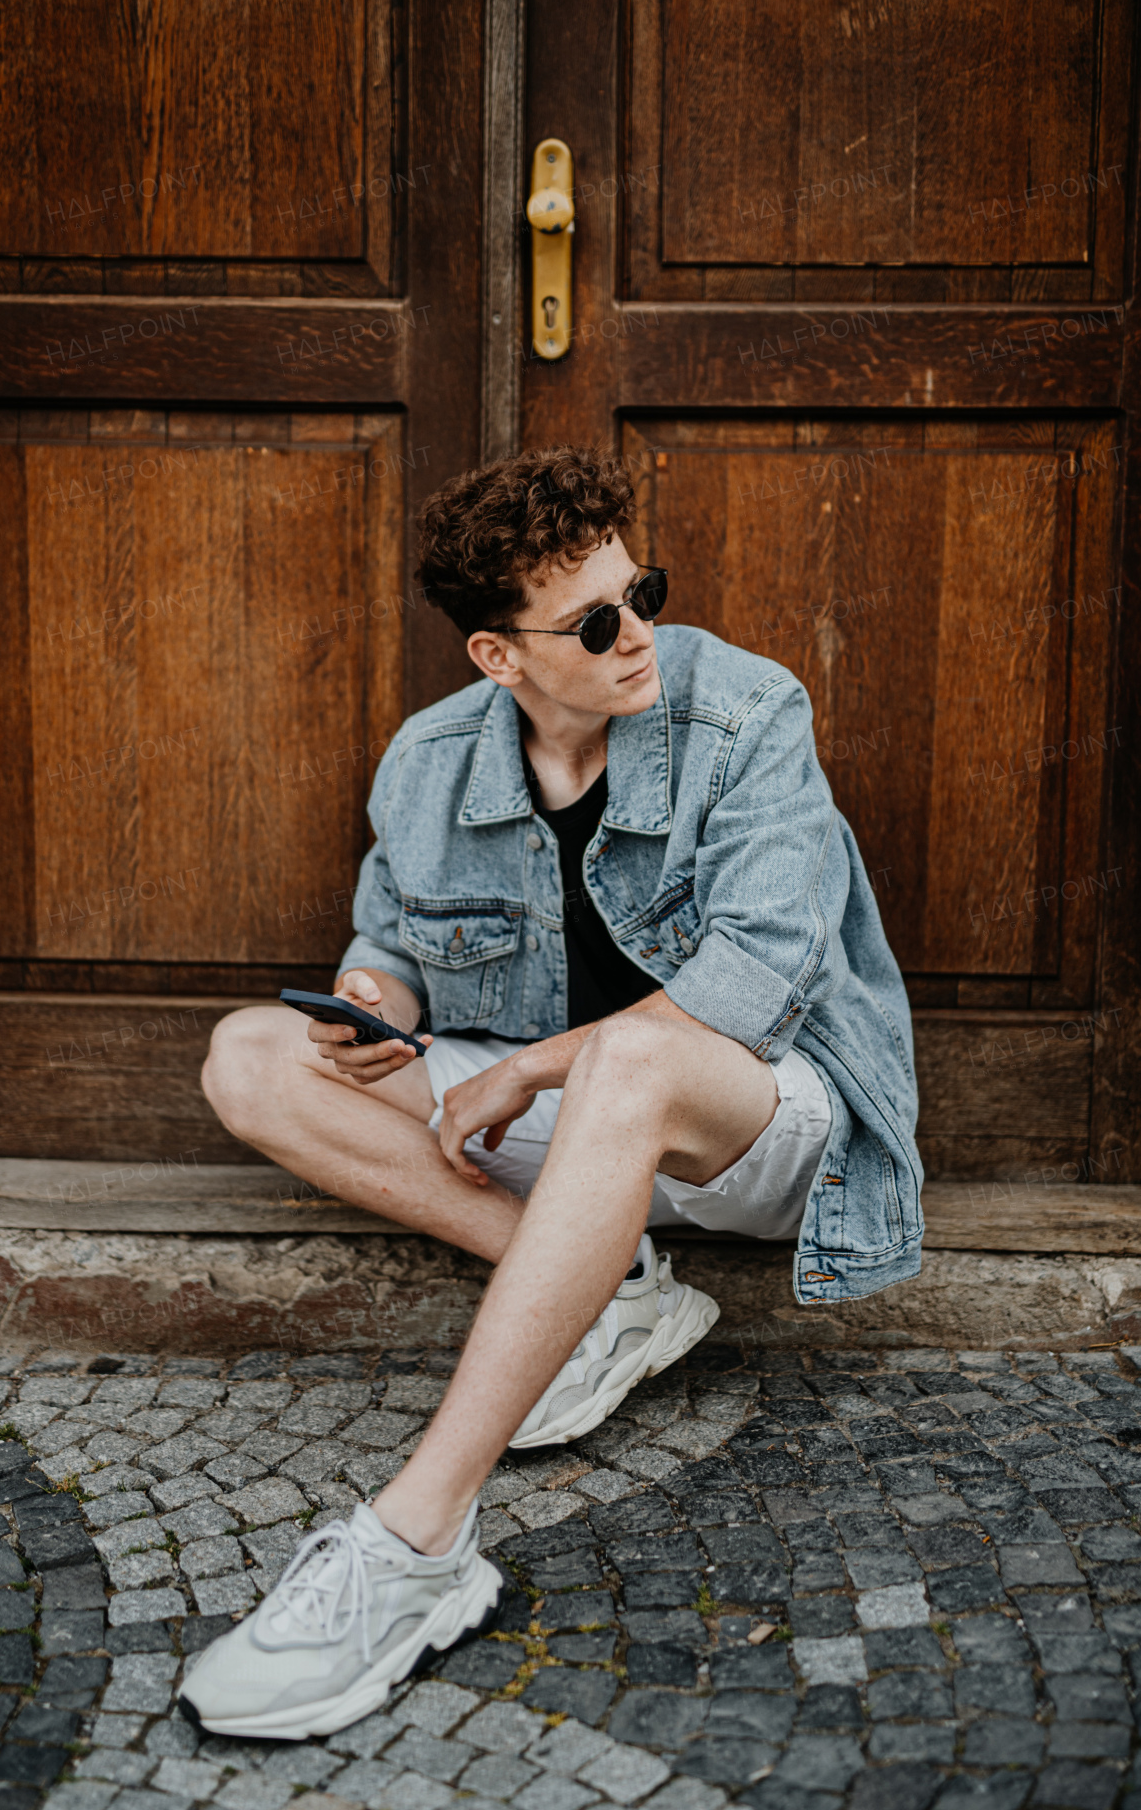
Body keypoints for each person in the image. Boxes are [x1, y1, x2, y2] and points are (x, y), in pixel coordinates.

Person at [179, 445, 922, 1739]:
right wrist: (376, 1011)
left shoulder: (748, 711)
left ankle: (415, 1544)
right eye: (593, 622)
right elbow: (395, 947)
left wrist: (526, 1067)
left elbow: (752, 984)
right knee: (250, 1055)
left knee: (631, 1057)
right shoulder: (430, 761)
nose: (638, 636)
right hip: (565, 1146)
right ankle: (607, 1298)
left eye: (645, 594)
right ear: (496, 657)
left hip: (760, 1131)